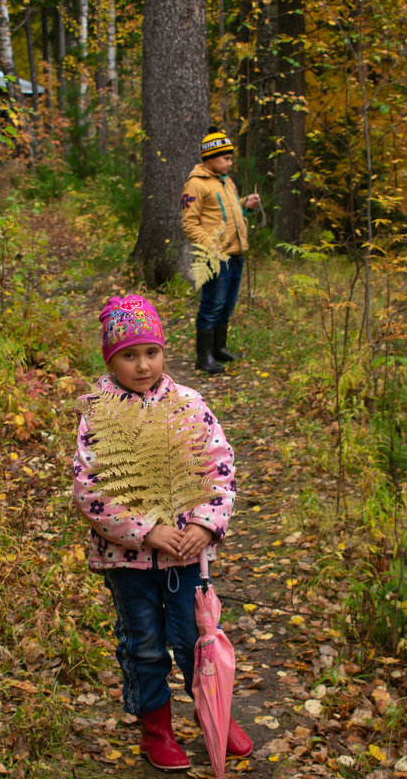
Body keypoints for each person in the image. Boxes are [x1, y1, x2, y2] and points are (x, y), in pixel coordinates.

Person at [72, 294, 254, 771]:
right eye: (128, 355)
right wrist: (143, 530)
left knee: (199, 641)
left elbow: (220, 468)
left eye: (150, 352)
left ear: (163, 350)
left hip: (188, 558)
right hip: (128, 563)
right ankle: (157, 730)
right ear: (111, 359)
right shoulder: (99, 414)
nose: (142, 365)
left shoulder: (188, 404)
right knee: (145, 646)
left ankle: (215, 715)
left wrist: (204, 523)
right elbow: (91, 489)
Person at [181, 127, 261, 375]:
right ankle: (203, 356)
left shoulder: (225, 181)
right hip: (215, 257)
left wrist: (245, 206)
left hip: (235, 254)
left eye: (230, 158)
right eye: (226, 158)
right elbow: (189, 223)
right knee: (212, 304)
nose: (230, 162)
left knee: (227, 304)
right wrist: (211, 246)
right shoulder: (196, 185)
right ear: (211, 158)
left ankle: (219, 348)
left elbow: (227, 212)